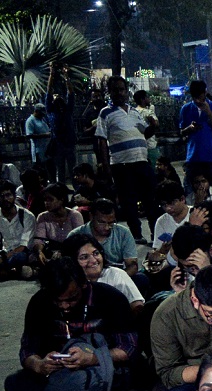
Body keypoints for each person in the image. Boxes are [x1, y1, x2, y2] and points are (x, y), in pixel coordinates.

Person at [4, 257, 135, 391]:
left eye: (71, 299)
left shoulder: (110, 298)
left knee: (123, 378)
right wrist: (39, 364)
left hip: (103, 369)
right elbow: (28, 350)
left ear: (83, 285)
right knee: (14, 383)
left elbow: (128, 348)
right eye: (57, 301)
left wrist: (92, 358)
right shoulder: (39, 301)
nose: (65, 306)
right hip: (59, 374)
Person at [95, 76, 156, 243]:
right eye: (116, 90)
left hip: (142, 161)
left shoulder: (135, 112)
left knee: (150, 199)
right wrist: (107, 168)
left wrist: (153, 127)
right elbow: (101, 140)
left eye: (122, 89)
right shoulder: (105, 113)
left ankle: (155, 234)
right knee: (128, 202)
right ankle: (136, 235)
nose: (119, 93)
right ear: (110, 92)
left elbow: (144, 134)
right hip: (122, 165)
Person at [64, 232, 143, 311]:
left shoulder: (116, 274)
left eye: (96, 253)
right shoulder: (67, 281)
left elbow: (137, 306)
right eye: (84, 257)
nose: (94, 260)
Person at [67, 197, 138, 277]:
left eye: (111, 223)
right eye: (102, 222)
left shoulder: (123, 233)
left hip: (116, 276)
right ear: (91, 217)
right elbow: (68, 267)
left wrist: (118, 280)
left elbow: (132, 265)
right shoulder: (75, 235)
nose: (107, 227)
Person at [178, 80, 212, 192]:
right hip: (193, 157)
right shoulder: (186, 108)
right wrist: (189, 129)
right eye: (195, 97)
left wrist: (208, 112)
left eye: (200, 96)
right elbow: (181, 132)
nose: (198, 100)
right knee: (190, 190)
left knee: (211, 190)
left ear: (205, 93)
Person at [30, 182, 83, 262]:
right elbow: (39, 239)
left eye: (50, 200)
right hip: (51, 253)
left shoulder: (74, 215)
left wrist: (63, 252)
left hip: (71, 253)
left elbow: (79, 240)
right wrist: (40, 251)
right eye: (45, 200)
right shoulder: (43, 217)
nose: (46, 203)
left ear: (61, 200)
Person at [0, 180, 36, 279]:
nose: (5, 199)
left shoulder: (27, 216)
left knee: (19, 257)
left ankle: (7, 272)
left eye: (8, 195)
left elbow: (24, 246)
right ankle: (13, 272)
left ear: (15, 196)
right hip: (5, 253)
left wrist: (4, 258)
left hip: (22, 253)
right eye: (1, 196)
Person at [25, 103, 53, 178]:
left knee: (50, 171)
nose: (43, 115)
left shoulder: (42, 120)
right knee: (40, 173)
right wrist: (45, 135)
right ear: (36, 111)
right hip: (38, 151)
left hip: (47, 150)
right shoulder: (30, 121)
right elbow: (29, 135)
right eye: (41, 113)